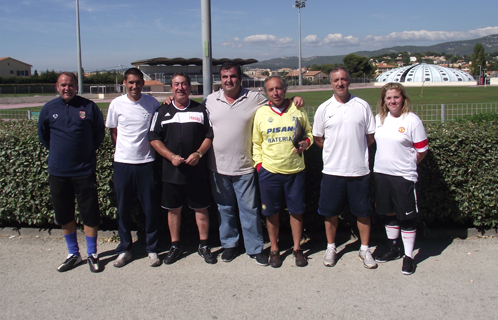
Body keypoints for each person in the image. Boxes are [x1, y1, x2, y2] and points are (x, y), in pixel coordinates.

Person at [204, 62, 305, 265]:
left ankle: (255, 248)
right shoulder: (210, 100)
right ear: (220, 79)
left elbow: (276, 100)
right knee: (225, 209)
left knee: (249, 209)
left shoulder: (254, 98)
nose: (228, 80)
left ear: (240, 78)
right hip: (218, 166)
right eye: (224, 77)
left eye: (232, 76)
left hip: (245, 166)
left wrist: (294, 99)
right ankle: (230, 245)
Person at [38, 72, 105, 273]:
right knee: (64, 213)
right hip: (59, 172)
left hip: (84, 170)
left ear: (76, 86)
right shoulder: (49, 109)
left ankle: (92, 253)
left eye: (70, 85)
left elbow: (98, 135)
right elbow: (44, 137)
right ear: (57, 87)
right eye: (63, 85)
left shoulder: (89, 107)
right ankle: (73, 253)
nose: (67, 88)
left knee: (90, 213)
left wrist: (84, 153)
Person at [312, 66, 377, 269]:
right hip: (332, 171)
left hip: (359, 171)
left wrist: (354, 150)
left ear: (349, 81)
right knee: (330, 212)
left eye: (343, 79)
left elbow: (370, 136)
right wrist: (336, 149)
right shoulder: (324, 108)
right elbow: (318, 138)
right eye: (336, 80)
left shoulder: (362, 106)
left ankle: (364, 249)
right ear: (331, 83)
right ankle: (331, 247)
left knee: (363, 212)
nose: (340, 83)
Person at [150, 72, 216, 265]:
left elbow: (209, 136)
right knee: (173, 210)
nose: (180, 88)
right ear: (171, 87)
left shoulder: (201, 110)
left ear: (189, 87)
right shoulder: (162, 111)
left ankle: (204, 245)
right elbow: (154, 138)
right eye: (176, 84)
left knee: (201, 209)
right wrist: (170, 157)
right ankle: (175, 245)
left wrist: (199, 154)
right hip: (172, 173)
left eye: (184, 84)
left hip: (197, 172)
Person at [252, 76, 313, 268]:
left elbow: (309, 134)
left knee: (296, 212)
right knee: (271, 213)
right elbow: (256, 143)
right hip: (269, 172)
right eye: (271, 90)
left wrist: (305, 144)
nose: (275, 92)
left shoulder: (297, 108)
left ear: (285, 89)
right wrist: (260, 166)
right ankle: (274, 249)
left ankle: (297, 249)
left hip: (295, 170)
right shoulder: (261, 113)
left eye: (278, 88)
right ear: (266, 92)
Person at [106, 67, 162, 268]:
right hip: (123, 164)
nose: (134, 86)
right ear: (125, 83)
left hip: (146, 163)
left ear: (142, 83)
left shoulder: (152, 103)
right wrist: (123, 152)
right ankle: (124, 249)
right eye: (130, 82)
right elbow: (114, 132)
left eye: (138, 82)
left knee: (150, 208)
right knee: (123, 209)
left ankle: (152, 248)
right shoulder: (116, 104)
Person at [373, 82, 428, 275]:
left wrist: (407, 165)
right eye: (389, 98)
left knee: (406, 217)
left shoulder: (412, 120)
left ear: (403, 98)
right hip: (381, 174)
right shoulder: (379, 119)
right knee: (388, 213)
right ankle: (393, 248)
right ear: (383, 101)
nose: (392, 101)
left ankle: (408, 256)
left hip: (403, 176)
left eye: (396, 97)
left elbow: (422, 150)